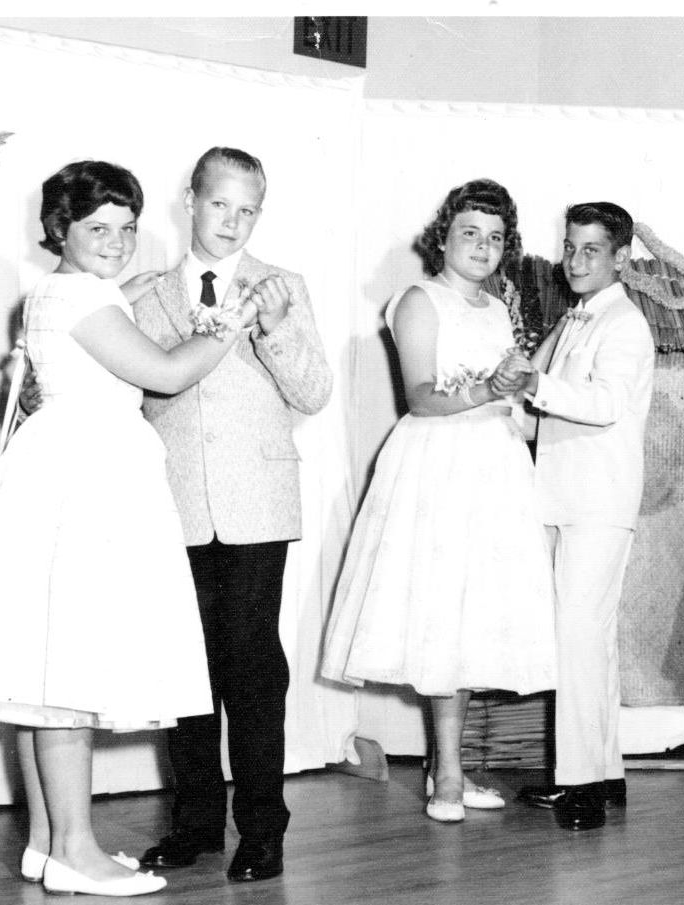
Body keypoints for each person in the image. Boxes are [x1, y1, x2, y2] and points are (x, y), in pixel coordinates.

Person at [0, 160, 260, 897]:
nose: (115, 242)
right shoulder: (78, 293)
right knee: (67, 672)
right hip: (83, 478)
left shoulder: (65, 291)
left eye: (125, 227)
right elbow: (168, 373)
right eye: (97, 229)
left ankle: (50, 842)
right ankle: (75, 851)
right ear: (60, 230)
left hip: (72, 469)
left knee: (44, 671)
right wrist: (229, 328)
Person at [320, 179, 556, 824]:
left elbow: (507, 396)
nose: (483, 247)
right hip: (439, 467)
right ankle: (446, 775)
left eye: (495, 237)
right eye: (470, 233)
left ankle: (444, 767)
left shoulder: (499, 308)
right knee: (439, 615)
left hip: (494, 465)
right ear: (443, 239)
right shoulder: (418, 299)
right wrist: (487, 390)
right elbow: (420, 397)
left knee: (474, 617)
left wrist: (520, 391)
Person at [134, 147, 332, 883]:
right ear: (190, 199)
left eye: (248, 210)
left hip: (257, 504)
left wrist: (276, 330)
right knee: (186, 669)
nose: (234, 221)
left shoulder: (284, 287)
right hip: (174, 503)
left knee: (252, 669)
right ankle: (194, 823)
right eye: (221, 204)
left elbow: (313, 393)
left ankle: (263, 828)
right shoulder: (144, 292)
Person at [510, 202, 656, 832]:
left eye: (591, 250)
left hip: (598, 501)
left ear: (622, 257)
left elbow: (605, 404)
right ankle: (603, 772)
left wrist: (532, 386)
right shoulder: (578, 318)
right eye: (570, 248)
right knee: (589, 641)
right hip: (565, 495)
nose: (575, 261)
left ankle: (582, 789)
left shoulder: (624, 323)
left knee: (577, 639)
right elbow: (548, 412)